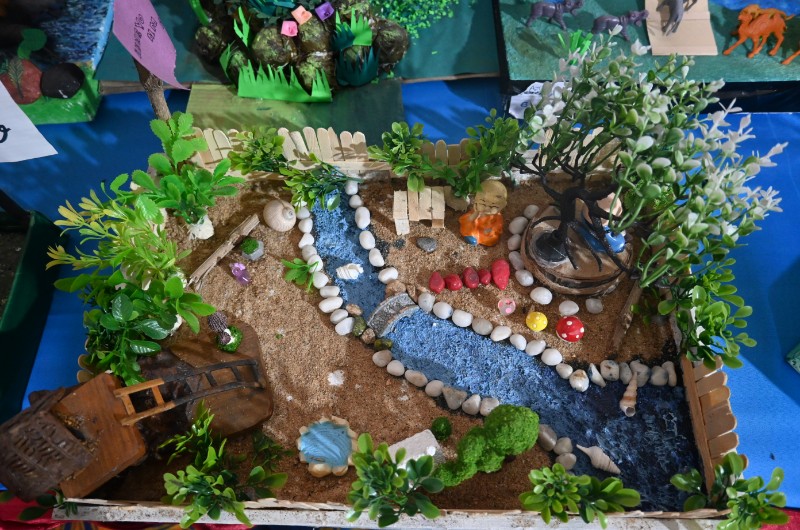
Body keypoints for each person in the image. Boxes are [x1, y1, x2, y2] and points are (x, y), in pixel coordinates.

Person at [458, 180, 507, 246]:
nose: (487, 208)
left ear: (502, 206)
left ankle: (478, 239)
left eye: (492, 206)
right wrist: (476, 213)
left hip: (486, 232)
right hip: (476, 228)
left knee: (493, 238)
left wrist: (490, 230)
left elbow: (498, 226)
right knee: (467, 224)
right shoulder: (477, 211)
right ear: (476, 199)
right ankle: (472, 237)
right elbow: (469, 220)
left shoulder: (498, 217)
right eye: (483, 204)